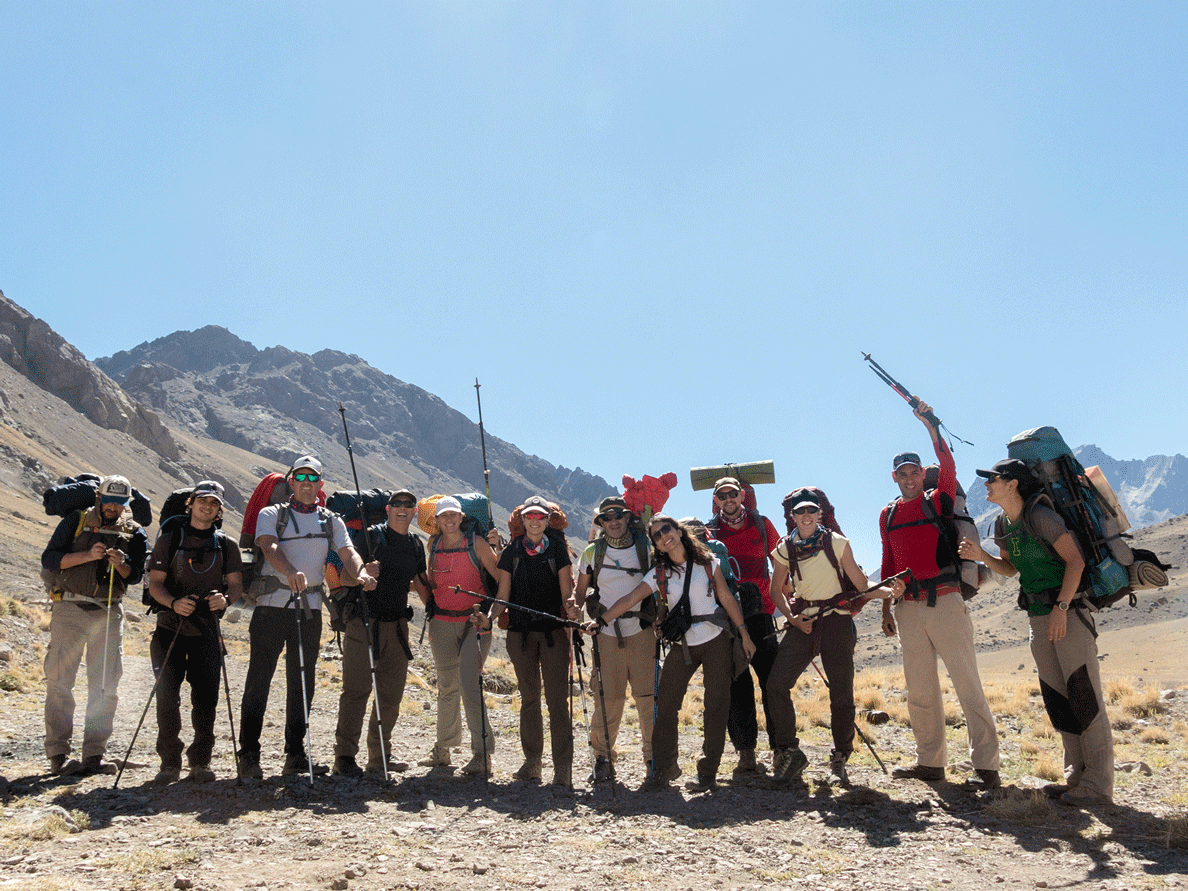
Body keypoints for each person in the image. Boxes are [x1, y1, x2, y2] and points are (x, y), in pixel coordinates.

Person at [959, 459, 1113, 806]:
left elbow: (1076, 561)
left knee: (1083, 694)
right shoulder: (1002, 523)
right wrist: (981, 554)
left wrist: (1061, 607)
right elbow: (1009, 570)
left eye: (992, 479)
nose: (986, 485)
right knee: (1058, 698)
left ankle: (1099, 784)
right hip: (1037, 616)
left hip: (1067, 613)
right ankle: (1076, 780)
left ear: (1013, 484)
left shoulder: (1041, 516)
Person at [586, 515, 756, 792]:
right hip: (683, 645)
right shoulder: (658, 574)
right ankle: (664, 769)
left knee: (716, 706)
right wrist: (603, 620)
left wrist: (744, 634)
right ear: (656, 545)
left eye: (667, 529)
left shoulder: (708, 563)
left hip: (716, 640)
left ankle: (707, 772)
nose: (664, 535)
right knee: (664, 706)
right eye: (656, 535)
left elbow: (725, 598)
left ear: (679, 531)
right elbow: (631, 599)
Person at [879, 402, 1000, 788]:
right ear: (894, 477)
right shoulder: (888, 515)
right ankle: (930, 763)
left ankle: (987, 766)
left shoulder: (939, 501)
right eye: (903, 473)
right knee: (920, 687)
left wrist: (931, 427)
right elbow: (887, 561)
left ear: (921, 474)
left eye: (915, 471)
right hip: (907, 606)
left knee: (967, 682)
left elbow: (948, 467)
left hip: (946, 600)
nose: (910, 477)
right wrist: (886, 604)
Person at [238, 456, 374, 779]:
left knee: (303, 684)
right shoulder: (272, 514)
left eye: (313, 478)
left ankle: (295, 754)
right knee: (259, 681)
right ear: (290, 483)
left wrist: (361, 574)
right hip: (272, 606)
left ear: (320, 485)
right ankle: (249, 755)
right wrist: (289, 571)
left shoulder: (331, 521)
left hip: (310, 611)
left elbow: (347, 553)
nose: (307, 483)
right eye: (300, 477)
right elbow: (268, 547)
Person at [766, 490, 893, 786]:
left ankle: (840, 756)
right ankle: (788, 750)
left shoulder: (837, 543)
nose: (806, 516)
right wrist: (793, 619)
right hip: (805, 622)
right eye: (800, 512)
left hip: (837, 621)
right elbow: (776, 590)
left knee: (841, 691)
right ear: (793, 517)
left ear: (820, 515)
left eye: (811, 511)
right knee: (776, 684)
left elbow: (860, 585)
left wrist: (888, 591)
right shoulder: (785, 548)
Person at [41, 474, 148, 776]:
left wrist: (121, 564)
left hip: (108, 613)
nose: (114, 507)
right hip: (69, 608)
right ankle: (59, 755)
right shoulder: (75, 520)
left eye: (120, 502)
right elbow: (50, 559)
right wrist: (87, 556)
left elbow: (136, 576)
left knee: (105, 685)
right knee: (60, 682)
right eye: (109, 500)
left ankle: (93, 755)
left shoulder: (135, 533)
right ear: (99, 497)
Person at [145, 481, 243, 784]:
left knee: (206, 700)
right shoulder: (171, 538)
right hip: (169, 629)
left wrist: (225, 599)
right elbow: (155, 584)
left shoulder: (227, 545)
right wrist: (174, 603)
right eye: (203, 501)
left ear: (219, 510)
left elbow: (237, 585)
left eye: (214, 504)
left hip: (206, 632)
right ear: (190, 504)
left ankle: (200, 762)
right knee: (167, 699)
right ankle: (169, 762)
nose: (208, 507)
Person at [476, 496, 576, 788]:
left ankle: (562, 768)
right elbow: (503, 595)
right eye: (529, 517)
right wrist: (489, 617)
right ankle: (533, 763)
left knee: (557, 701)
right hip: (519, 634)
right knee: (530, 698)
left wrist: (572, 609)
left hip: (553, 633)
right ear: (522, 521)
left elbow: (566, 592)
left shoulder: (558, 549)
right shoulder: (511, 553)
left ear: (547, 520)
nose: (534, 521)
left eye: (540, 517)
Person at [332, 488, 428, 777]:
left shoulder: (415, 544)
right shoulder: (370, 536)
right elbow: (344, 577)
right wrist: (363, 576)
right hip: (363, 622)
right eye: (396, 503)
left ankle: (379, 756)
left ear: (414, 512)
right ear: (387, 509)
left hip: (397, 626)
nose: (402, 507)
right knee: (356, 691)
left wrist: (438, 613)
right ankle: (345, 757)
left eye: (408, 504)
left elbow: (421, 582)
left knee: (390, 695)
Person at [572, 496, 656, 783]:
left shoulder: (647, 547)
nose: (614, 522)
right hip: (605, 634)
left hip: (643, 631)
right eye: (606, 518)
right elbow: (580, 591)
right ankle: (602, 759)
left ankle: (653, 759)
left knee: (648, 697)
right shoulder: (592, 552)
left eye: (618, 516)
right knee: (608, 698)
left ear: (628, 517)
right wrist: (575, 610)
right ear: (600, 523)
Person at [705, 477, 781, 777]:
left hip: (762, 612)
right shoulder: (709, 532)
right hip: (726, 617)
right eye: (721, 495)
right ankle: (746, 752)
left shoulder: (762, 525)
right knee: (737, 684)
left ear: (743, 495)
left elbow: (782, 559)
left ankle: (780, 749)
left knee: (773, 683)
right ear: (716, 500)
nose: (728, 499)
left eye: (732, 494)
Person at [421, 496, 501, 775]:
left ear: (461, 517)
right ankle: (443, 749)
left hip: (474, 621)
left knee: (469, 684)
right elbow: (431, 583)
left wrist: (491, 617)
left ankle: (482, 754)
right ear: (437, 520)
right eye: (444, 516)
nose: (449, 520)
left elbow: (500, 578)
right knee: (446, 686)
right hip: (441, 621)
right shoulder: (434, 546)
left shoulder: (476, 544)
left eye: (454, 515)